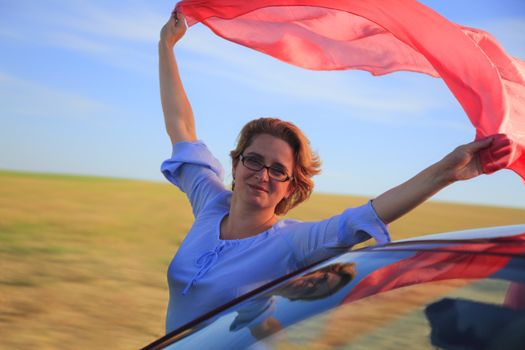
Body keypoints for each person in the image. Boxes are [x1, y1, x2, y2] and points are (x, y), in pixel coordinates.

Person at [158, 12, 512, 334]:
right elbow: (182, 128)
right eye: (254, 160)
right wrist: (167, 46)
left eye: (278, 170)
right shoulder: (210, 203)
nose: (262, 174)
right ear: (235, 163)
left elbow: (363, 218)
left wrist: (446, 172)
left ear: (290, 188)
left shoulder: (290, 243)